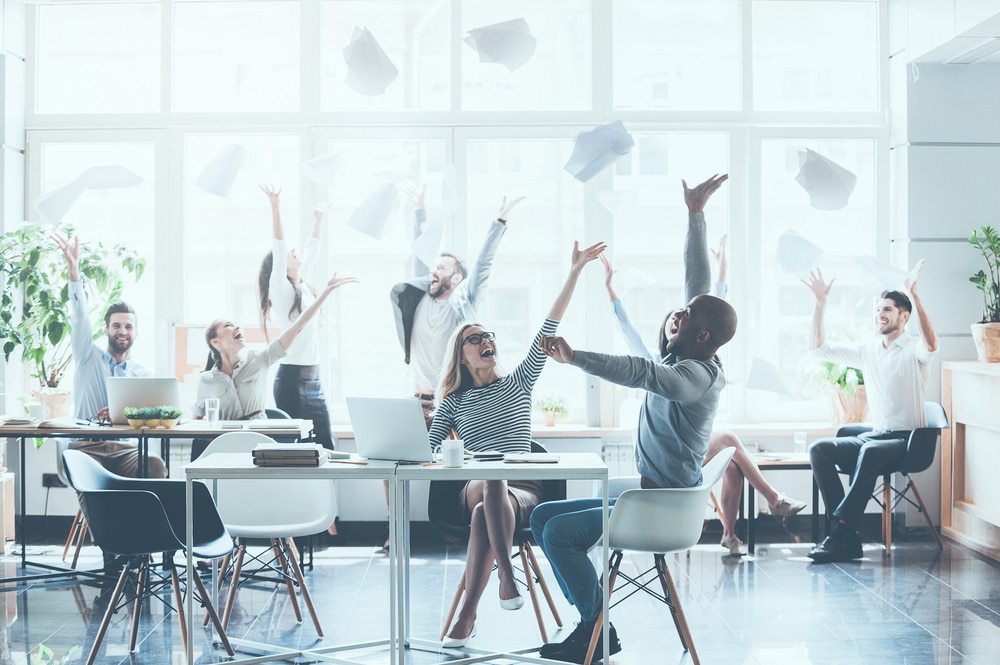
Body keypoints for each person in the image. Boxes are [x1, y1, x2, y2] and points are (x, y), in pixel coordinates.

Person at [530, 174, 739, 664]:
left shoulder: (694, 377)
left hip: (660, 509)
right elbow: (697, 282)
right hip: (648, 493)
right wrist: (695, 215)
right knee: (542, 516)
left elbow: (638, 371)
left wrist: (575, 355)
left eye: (685, 315)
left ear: (703, 336)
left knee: (558, 533)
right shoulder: (688, 355)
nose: (677, 314)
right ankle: (595, 623)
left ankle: (594, 628)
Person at [432, 240, 607, 649]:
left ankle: (469, 614)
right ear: (461, 357)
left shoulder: (519, 382)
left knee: (484, 512)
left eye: (488, 335)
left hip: (523, 490)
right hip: (476, 481)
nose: (485, 340)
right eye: (475, 339)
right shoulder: (453, 402)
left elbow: (549, 326)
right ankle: (508, 577)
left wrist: (576, 270)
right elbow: (426, 448)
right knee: (491, 474)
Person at [602, 236, 804, 558]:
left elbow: (714, 312)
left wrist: (723, 269)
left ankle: (733, 531)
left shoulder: (699, 365)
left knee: (732, 458)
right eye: (671, 321)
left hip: (688, 448)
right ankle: (768, 502)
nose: (675, 322)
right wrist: (611, 290)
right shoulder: (653, 365)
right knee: (729, 441)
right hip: (671, 457)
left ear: (695, 333)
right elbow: (626, 329)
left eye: (681, 318)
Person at [803, 261, 938, 563]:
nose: (880, 314)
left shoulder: (914, 351)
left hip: (906, 442)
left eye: (888, 309)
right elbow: (818, 350)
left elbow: (932, 344)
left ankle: (839, 533)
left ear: (904, 317)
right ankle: (847, 535)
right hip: (877, 437)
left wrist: (915, 295)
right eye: (878, 309)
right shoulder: (869, 349)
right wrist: (820, 303)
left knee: (870, 452)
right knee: (820, 449)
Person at [190, 272, 357, 460]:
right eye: (229, 325)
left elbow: (298, 326)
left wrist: (326, 292)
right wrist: (215, 442)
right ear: (215, 342)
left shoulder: (258, 360)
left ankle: (348, 458)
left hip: (257, 444)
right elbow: (198, 423)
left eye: (238, 325)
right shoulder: (206, 380)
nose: (239, 328)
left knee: (316, 453)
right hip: (223, 447)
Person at [391, 191, 525, 425]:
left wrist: (500, 221)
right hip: (419, 404)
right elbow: (420, 254)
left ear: (455, 279)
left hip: (455, 404)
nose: (433, 271)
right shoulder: (420, 297)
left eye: (441, 268)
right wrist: (420, 209)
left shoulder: (464, 304)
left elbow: (483, 266)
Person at [53, 233, 167, 480]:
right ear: (106, 330)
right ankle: (100, 520)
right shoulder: (87, 357)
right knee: (86, 476)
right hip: (86, 447)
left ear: (135, 332)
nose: (122, 331)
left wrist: (126, 413)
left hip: (125, 449)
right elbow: (80, 316)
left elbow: (158, 411)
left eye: (128, 326)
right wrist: (74, 272)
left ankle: (134, 520)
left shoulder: (141, 375)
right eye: (116, 326)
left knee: (155, 464)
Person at [257, 185, 336, 450]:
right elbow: (279, 248)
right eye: (290, 253)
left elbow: (312, 250)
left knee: (327, 446)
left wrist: (318, 218)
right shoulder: (280, 291)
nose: (294, 253)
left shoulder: (304, 288)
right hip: (291, 379)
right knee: (297, 451)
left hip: (313, 377)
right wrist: (275, 207)